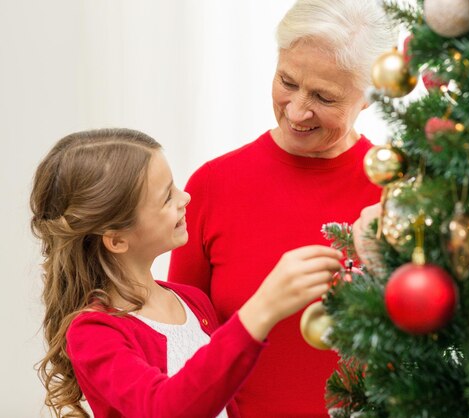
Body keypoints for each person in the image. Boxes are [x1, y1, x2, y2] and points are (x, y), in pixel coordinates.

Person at [167, 0, 396, 416]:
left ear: (369, 96)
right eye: (287, 81)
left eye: (325, 97)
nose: (297, 110)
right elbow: (182, 348)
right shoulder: (211, 186)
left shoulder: (399, 194)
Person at [31, 128, 342, 418]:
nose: (185, 198)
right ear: (117, 239)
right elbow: (166, 408)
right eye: (167, 197)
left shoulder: (192, 302)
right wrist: (263, 309)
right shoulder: (93, 332)